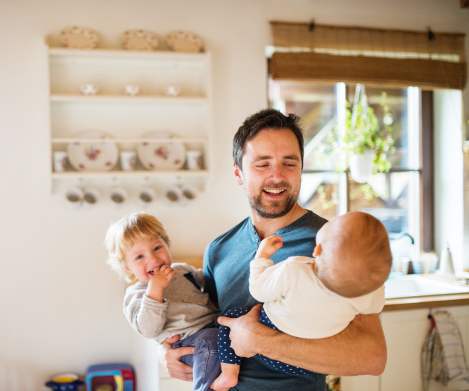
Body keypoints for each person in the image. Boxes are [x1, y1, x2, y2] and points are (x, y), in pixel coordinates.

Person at [158, 108, 388, 390]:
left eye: (289, 163)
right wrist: (168, 352)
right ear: (238, 173)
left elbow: (372, 356)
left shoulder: (332, 245)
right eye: (262, 164)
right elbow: (207, 324)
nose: (277, 176)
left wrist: (261, 341)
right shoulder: (218, 250)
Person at [213, 211, 392, 389]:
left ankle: (229, 373)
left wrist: (261, 257)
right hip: (301, 368)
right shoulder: (365, 291)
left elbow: (258, 291)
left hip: (275, 335)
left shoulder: (296, 267)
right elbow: (374, 306)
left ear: (318, 249)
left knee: (232, 317)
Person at [105, 212, 224, 391]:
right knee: (212, 340)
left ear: (167, 245)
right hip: (187, 342)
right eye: (139, 257)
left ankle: (228, 376)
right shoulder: (135, 294)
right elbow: (148, 330)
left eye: (157, 248)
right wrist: (156, 289)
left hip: (213, 327)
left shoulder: (182, 270)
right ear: (127, 267)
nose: (153, 259)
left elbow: (211, 281)